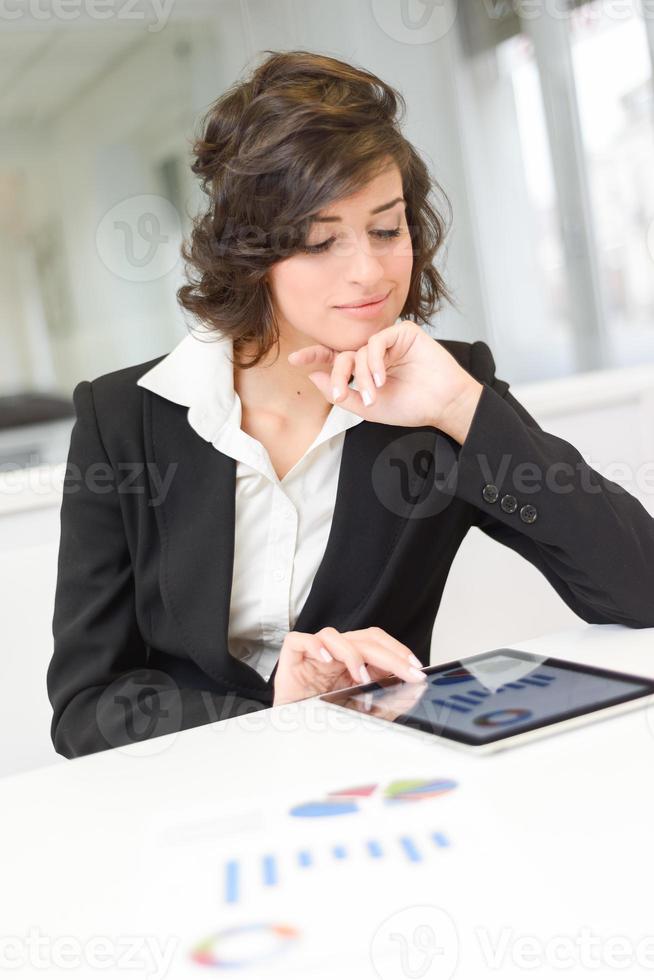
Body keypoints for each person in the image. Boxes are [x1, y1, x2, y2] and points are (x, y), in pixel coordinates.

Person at [47, 50, 654, 759]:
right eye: (318, 240)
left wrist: (461, 407)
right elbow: (85, 707)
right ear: (250, 254)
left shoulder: (444, 389)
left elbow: (639, 588)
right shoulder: (126, 418)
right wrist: (273, 707)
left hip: (380, 783)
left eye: (387, 229)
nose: (368, 270)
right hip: (195, 797)